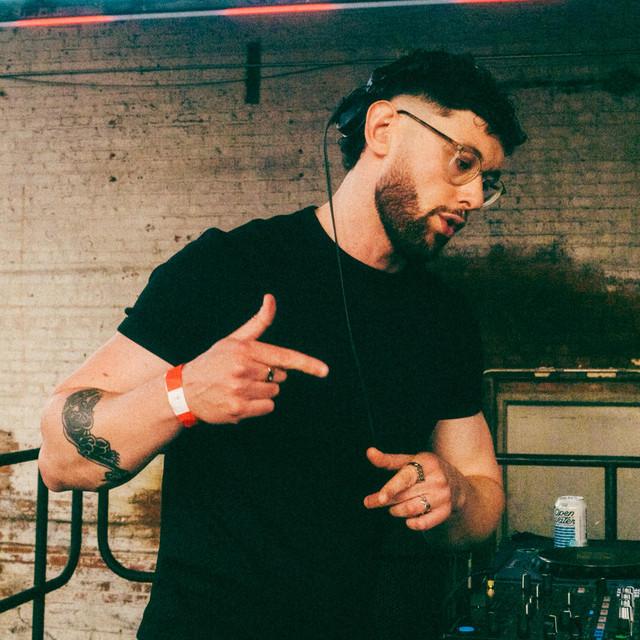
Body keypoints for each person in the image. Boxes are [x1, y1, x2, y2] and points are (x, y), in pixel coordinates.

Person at [39, 50, 527, 639]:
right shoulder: (228, 268)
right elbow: (60, 460)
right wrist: (182, 393)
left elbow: (483, 493)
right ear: (382, 129)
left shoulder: (443, 316)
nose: (473, 198)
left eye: (487, 181)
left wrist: (453, 493)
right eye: (462, 162)